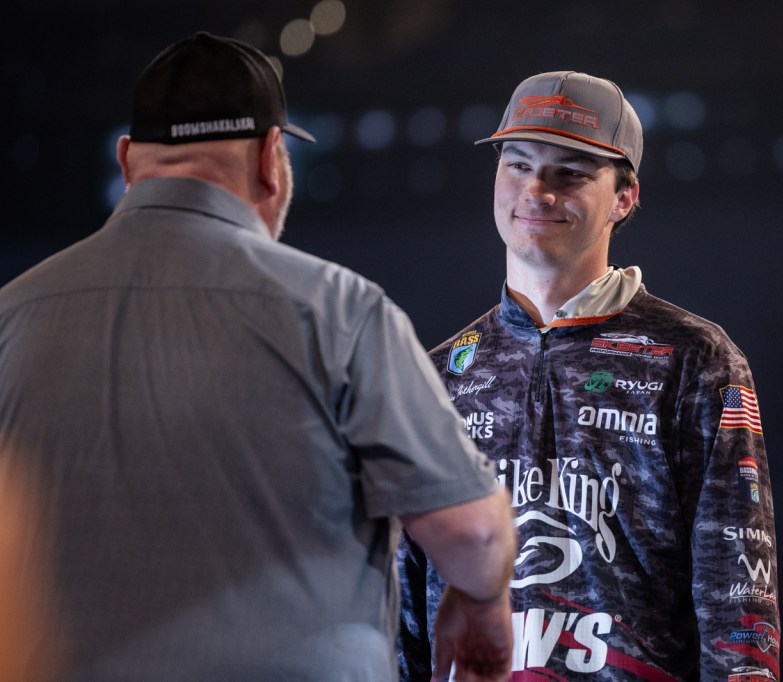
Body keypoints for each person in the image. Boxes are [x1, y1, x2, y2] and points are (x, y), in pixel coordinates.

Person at [0, 32, 516, 682]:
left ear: (127, 159)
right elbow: (472, 533)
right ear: (272, 158)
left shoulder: (10, 316)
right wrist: (482, 604)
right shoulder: (341, 310)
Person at [398, 71, 781, 681]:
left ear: (624, 198)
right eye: (518, 165)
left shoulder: (696, 359)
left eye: (570, 173)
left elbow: (740, 601)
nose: (537, 191)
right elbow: (400, 621)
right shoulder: (436, 376)